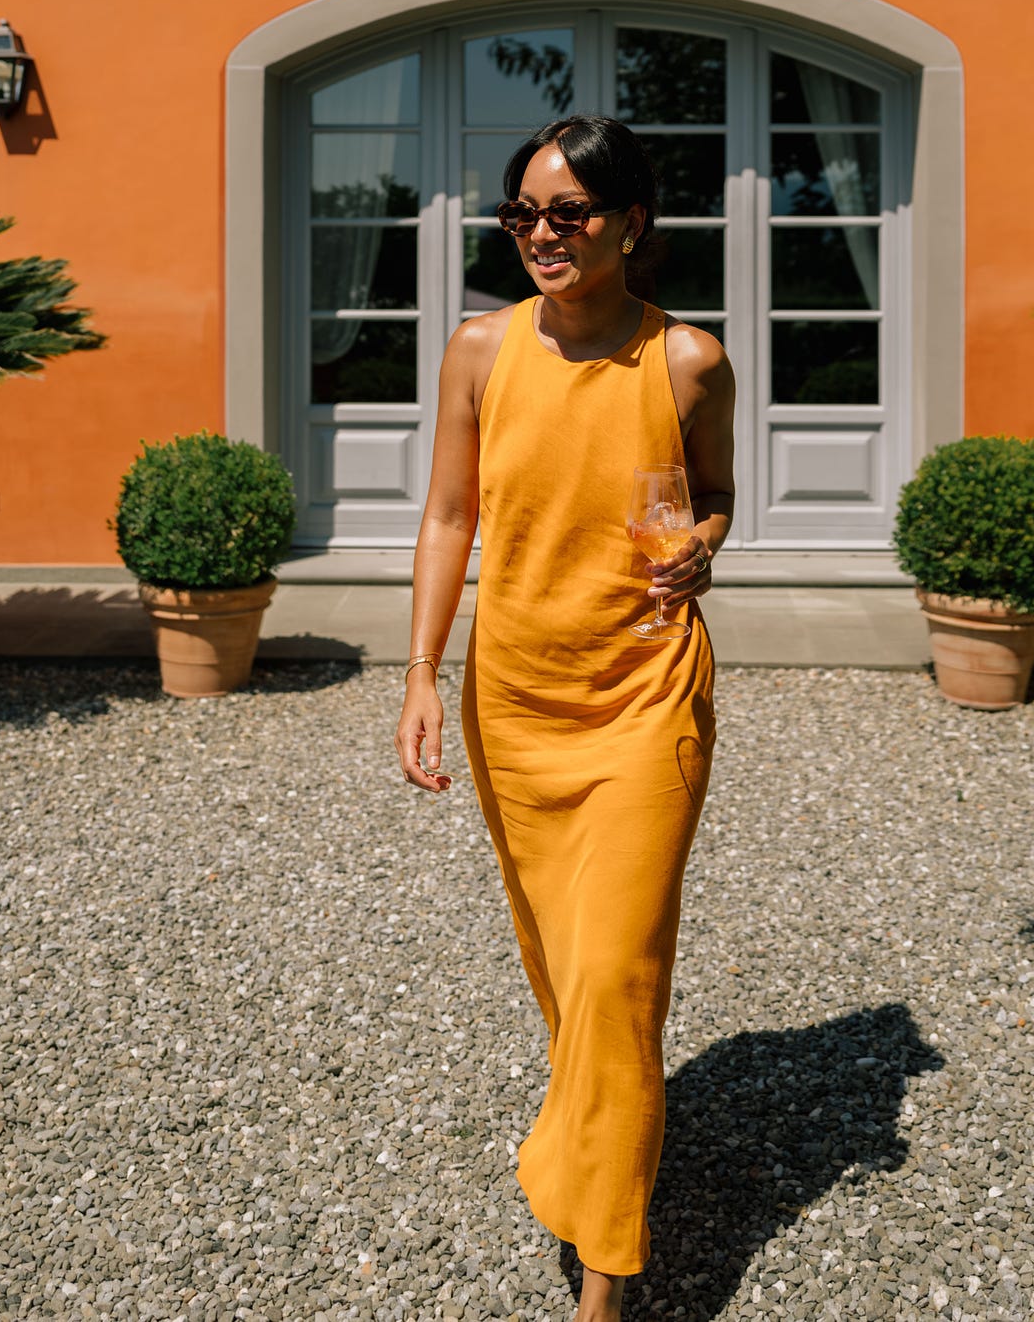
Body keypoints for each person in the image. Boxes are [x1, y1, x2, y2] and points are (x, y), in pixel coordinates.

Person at [394, 112, 736, 1320]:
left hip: (646, 695)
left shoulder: (688, 359)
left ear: (629, 224)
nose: (542, 233)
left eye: (568, 213)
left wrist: (701, 543)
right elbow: (448, 518)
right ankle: (604, 1126)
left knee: (614, 970)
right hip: (515, 699)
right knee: (561, 967)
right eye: (523, 214)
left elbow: (719, 497)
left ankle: (606, 1276)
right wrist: (423, 672)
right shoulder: (480, 350)